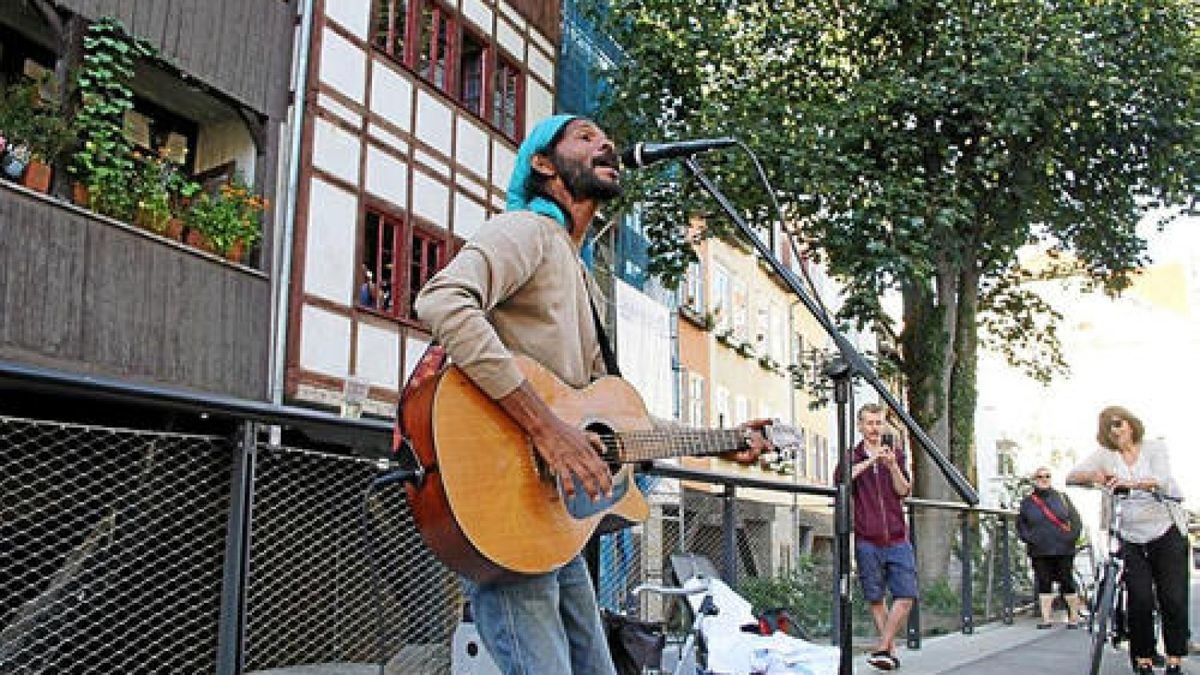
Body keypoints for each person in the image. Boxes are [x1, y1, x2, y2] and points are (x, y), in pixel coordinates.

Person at [414, 115, 765, 674]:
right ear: (544, 164)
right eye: (584, 136)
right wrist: (547, 430)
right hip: (503, 503)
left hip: (551, 514)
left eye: (607, 137)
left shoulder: (581, 279)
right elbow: (442, 301)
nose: (605, 143)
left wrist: (723, 440)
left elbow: (623, 422)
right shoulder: (526, 231)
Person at [1066, 406, 1190, 675]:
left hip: (1165, 529)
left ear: (1131, 424)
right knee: (1140, 598)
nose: (1115, 430)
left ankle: (1174, 659)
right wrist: (1094, 476)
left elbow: (1161, 479)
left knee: (1173, 597)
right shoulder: (1105, 456)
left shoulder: (1154, 448)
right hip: (1130, 535)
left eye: (1118, 423)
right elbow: (1071, 476)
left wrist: (1130, 484)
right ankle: (1143, 658)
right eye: (1108, 427)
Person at [839, 403, 915, 671]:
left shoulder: (897, 454)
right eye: (869, 423)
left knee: (906, 595)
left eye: (878, 423)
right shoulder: (853, 455)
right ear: (860, 426)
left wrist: (893, 466)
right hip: (867, 538)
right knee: (875, 598)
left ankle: (883, 647)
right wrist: (871, 461)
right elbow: (841, 480)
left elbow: (904, 490)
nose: (874, 428)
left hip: (896, 537)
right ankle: (888, 653)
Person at [1016, 467, 1083, 629]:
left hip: (1063, 549)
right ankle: (1046, 619)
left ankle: (1073, 617)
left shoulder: (1062, 498)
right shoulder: (1027, 502)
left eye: (1047, 476)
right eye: (1040, 476)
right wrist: (1031, 539)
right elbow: (1021, 525)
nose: (1043, 479)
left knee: (1067, 581)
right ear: (1035, 479)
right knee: (1043, 582)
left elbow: (1076, 521)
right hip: (1039, 550)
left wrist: (1070, 539)